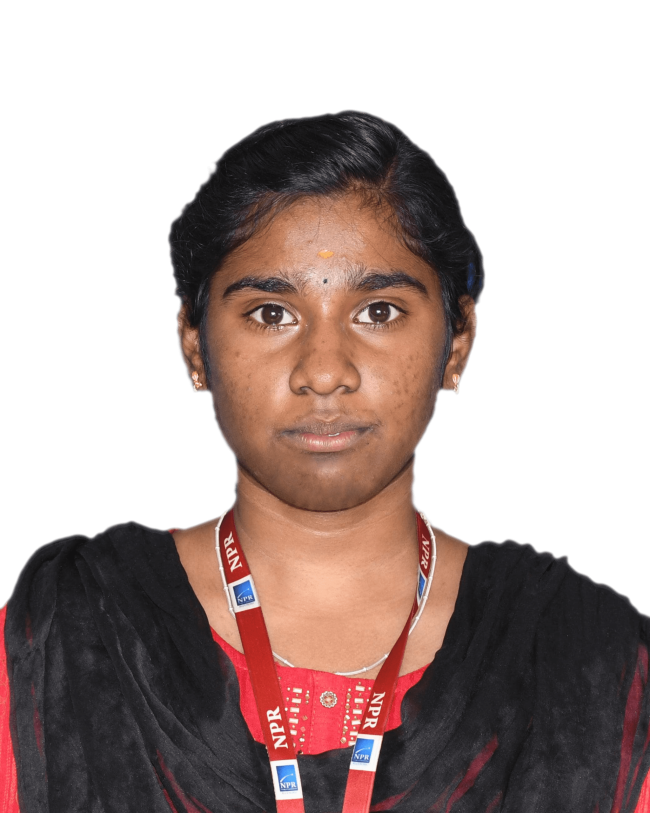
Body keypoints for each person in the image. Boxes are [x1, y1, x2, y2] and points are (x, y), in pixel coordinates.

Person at [1, 110, 648, 813]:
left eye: (379, 311)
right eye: (271, 313)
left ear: (457, 341)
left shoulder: (592, 661)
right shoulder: (58, 641)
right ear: (194, 345)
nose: (324, 371)